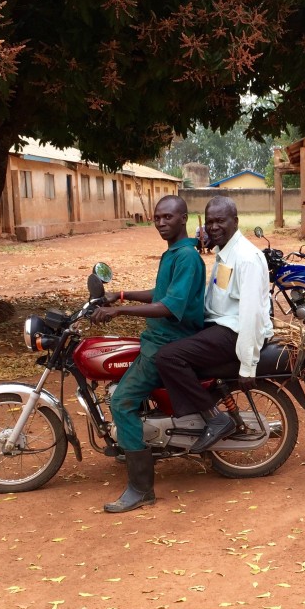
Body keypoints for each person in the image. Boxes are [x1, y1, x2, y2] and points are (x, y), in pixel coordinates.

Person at [89, 195, 205, 513]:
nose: (161, 222)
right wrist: (120, 294)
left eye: (168, 217)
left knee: (121, 402)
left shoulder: (187, 258)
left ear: (183, 218)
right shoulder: (174, 254)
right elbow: (161, 292)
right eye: (156, 218)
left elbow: (169, 306)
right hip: (156, 339)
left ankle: (141, 489)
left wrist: (120, 310)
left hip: (167, 342)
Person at [156, 196, 273, 454]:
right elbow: (218, 300)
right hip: (220, 327)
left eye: (220, 221)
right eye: (209, 222)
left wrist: (247, 366)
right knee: (168, 345)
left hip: (234, 333)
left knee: (168, 358)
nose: (213, 227)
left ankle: (214, 417)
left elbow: (251, 314)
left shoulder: (246, 258)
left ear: (236, 221)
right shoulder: (224, 253)